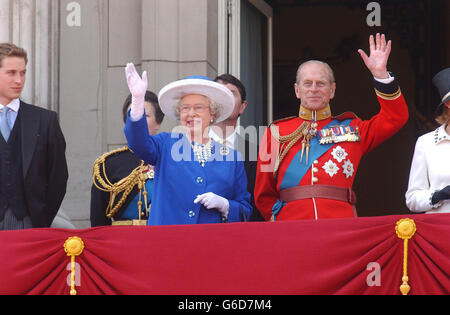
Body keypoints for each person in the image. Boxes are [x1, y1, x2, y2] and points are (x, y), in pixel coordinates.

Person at [254, 33, 409, 221]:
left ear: (332, 90)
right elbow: (263, 195)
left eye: (321, 84)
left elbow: (395, 117)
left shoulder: (354, 129)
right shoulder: (275, 133)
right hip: (291, 226)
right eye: (307, 83)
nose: (313, 89)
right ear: (297, 90)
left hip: (340, 225)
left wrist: (381, 75)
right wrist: (279, 224)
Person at [123, 63, 252, 225]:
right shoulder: (164, 145)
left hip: (211, 245)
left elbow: (245, 209)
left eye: (198, 107)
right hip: (168, 244)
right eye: (185, 108)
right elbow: (138, 143)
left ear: (212, 113)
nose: (191, 114)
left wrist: (226, 205)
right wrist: (137, 102)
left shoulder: (232, 158)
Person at [0, 43, 68, 230]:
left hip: (29, 224)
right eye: (11, 73)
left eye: (23, 73)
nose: (19, 80)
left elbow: (58, 176)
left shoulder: (45, 120)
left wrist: (40, 219)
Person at [90, 91, 164, 226]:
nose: (139, 121)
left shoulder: (171, 160)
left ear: (158, 122)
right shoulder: (108, 164)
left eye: (145, 116)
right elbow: (98, 219)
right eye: (134, 116)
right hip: (123, 240)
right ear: (127, 123)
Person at [210, 74, 263, 221]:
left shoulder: (258, 154)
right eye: (220, 93)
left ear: (242, 107)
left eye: (231, 94)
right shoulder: (188, 147)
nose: (225, 99)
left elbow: (260, 205)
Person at [405, 67, 450, 214]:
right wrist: (438, 195)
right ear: (448, 103)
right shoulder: (426, 143)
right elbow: (412, 199)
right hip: (440, 231)